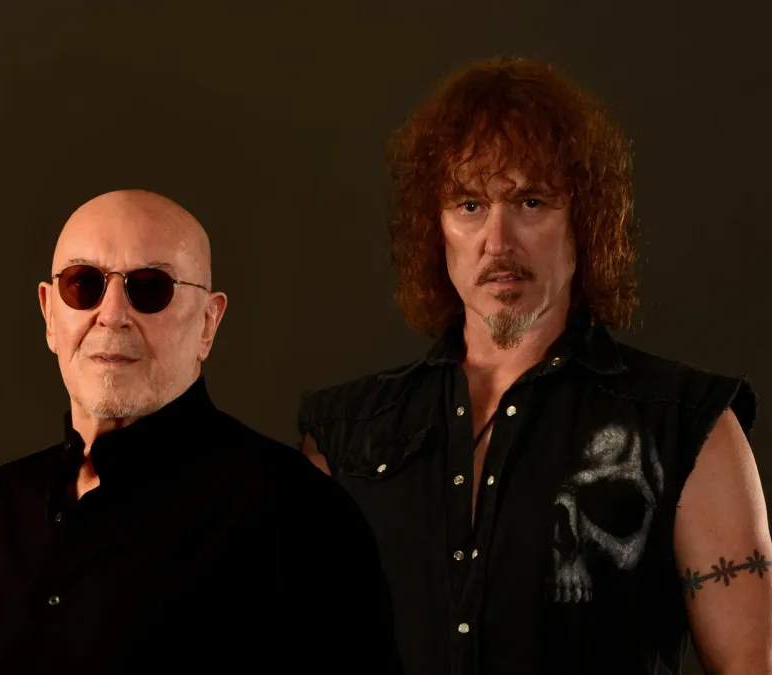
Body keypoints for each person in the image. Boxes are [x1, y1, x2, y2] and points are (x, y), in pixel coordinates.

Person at [298, 57, 770, 674]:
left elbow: (749, 665)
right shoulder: (342, 433)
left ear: (584, 221)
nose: (498, 242)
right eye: (469, 205)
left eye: (531, 201)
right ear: (435, 228)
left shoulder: (686, 424)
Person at [0, 189, 402, 674]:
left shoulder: (296, 509)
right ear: (49, 314)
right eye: (83, 284)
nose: (112, 315)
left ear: (208, 322)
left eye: (150, 288)